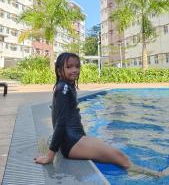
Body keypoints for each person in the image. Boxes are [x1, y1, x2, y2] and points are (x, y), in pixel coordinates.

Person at [34, 52, 169, 178]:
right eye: (69, 67)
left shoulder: (66, 86)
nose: (74, 70)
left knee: (110, 151)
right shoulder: (63, 89)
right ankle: (158, 175)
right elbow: (61, 123)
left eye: (77, 66)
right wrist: (50, 156)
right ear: (59, 70)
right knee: (120, 157)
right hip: (72, 142)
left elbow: (60, 116)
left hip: (74, 138)